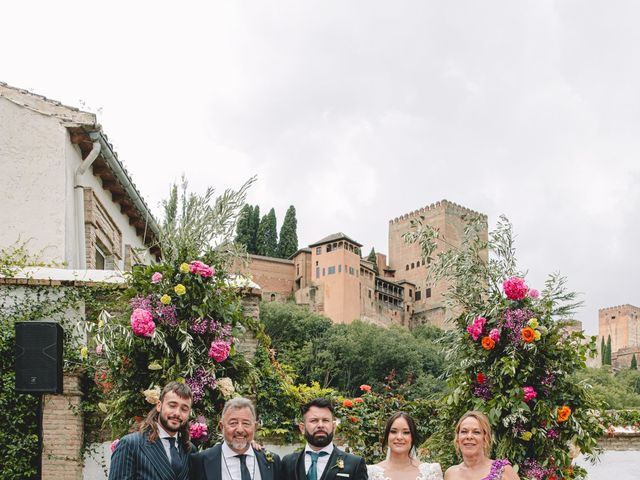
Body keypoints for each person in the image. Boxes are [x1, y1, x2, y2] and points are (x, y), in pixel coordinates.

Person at [109, 381, 193, 480]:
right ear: (159, 406)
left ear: (189, 413)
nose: (177, 413)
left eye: (184, 409)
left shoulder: (189, 450)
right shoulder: (131, 445)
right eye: (172, 405)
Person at [190, 397, 281, 480]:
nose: (240, 430)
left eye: (246, 423)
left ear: (255, 427)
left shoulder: (272, 462)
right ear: (222, 427)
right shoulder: (201, 461)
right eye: (233, 423)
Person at [282, 398, 368, 480]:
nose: (320, 425)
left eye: (325, 420)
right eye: (314, 420)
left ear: (333, 427)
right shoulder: (288, 462)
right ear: (302, 428)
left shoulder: (355, 464)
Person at [444, 411, 519, 480]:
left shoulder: (503, 470)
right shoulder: (450, 474)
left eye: (476, 432)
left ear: (485, 438)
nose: (469, 436)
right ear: (457, 437)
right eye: (464, 431)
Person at [367, 412, 442, 480]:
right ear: (387, 436)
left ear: (412, 437)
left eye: (406, 432)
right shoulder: (371, 473)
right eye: (393, 432)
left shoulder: (432, 472)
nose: (399, 437)